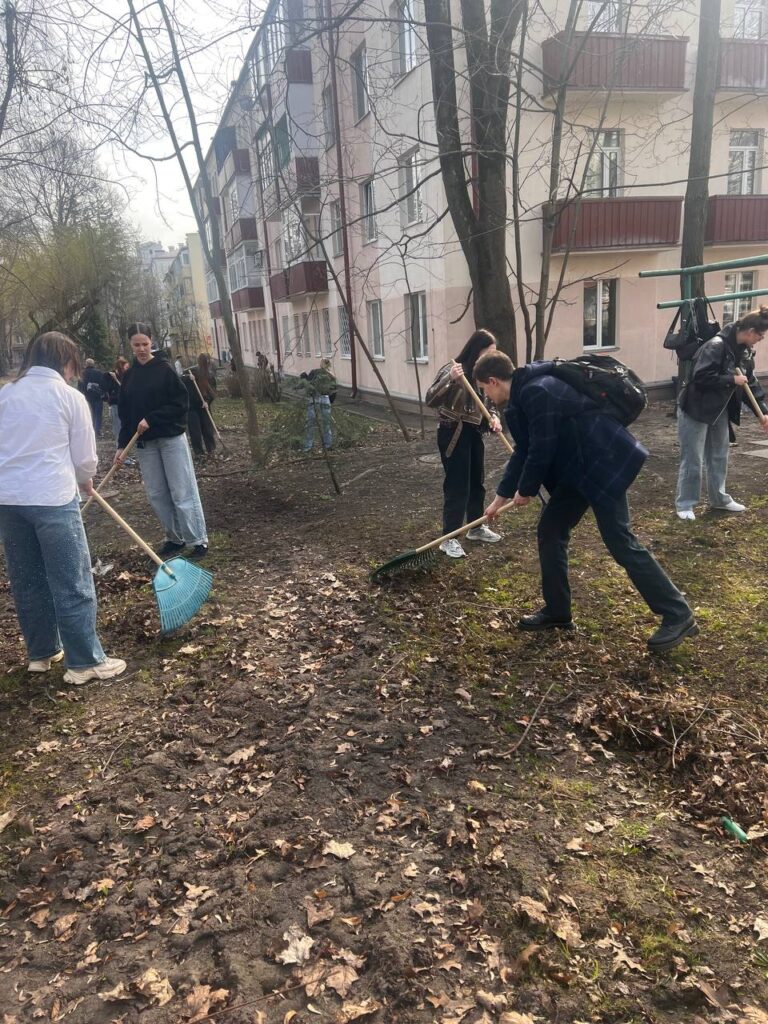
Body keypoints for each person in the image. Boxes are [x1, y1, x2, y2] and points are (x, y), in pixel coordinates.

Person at [475, 351, 698, 653]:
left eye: (484, 389)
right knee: (551, 530)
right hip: (576, 470)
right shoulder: (522, 399)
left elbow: (542, 448)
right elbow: (524, 451)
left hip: (601, 462)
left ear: (493, 381)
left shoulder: (537, 392)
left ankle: (677, 613)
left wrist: (525, 490)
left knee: (620, 540)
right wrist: (499, 498)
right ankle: (558, 612)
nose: (485, 396)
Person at [0, 333, 126, 684]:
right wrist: (85, 478)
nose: (75, 373)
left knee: (28, 579)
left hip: (8, 501)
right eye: (73, 364)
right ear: (66, 362)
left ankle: (41, 652)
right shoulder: (68, 397)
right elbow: (85, 457)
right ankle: (84, 661)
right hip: (52, 498)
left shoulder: (5, 395)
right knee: (72, 578)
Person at [116, 333, 209, 560]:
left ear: (151, 344)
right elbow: (126, 415)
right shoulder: (129, 376)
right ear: (131, 346)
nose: (141, 349)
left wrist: (152, 418)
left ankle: (197, 540)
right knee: (157, 493)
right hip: (145, 444)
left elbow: (180, 403)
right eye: (136, 345)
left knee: (181, 490)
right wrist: (121, 446)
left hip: (170, 439)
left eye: (145, 344)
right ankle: (174, 538)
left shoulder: (164, 370)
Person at [675, 305, 768, 521]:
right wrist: (731, 380)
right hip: (695, 409)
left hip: (719, 410)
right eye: (760, 336)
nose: (760, 340)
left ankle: (719, 499)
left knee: (719, 454)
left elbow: (749, 383)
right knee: (693, 458)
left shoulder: (744, 351)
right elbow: (701, 377)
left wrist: (762, 412)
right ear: (750, 331)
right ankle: (685, 504)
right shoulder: (715, 346)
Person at [425, 329, 503, 558]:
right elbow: (430, 399)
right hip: (453, 433)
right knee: (457, 485)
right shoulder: (454, 368)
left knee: (477, 482)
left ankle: (475, 527)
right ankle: (449, 537)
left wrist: (494, 418)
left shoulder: (484, 373)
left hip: (473, 433)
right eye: (488, 351)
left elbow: (488, 403)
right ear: (476, 349)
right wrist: (450, 379)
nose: (491, 356)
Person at [184, 353, 218, 457]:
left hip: (204, 407)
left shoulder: (210, 376)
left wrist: (207, 401)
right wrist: (188, 378)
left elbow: (212, 392)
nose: (207, 364)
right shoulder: (191, 372)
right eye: (205, 362)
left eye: (208, 362)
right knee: (195, 431)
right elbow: (180, 379)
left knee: (208, 429)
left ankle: (211, 449)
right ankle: (199, 453)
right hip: (192, 407)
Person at [301, 360, 336, 452]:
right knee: (326, 423)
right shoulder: (331, 375)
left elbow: (308, 384)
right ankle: (328, 445)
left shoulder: (315, 372)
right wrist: (330, 401)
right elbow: (334, 390)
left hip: (315, 398)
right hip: (325, 398)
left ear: (321, 364)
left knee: (310, 422)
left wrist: (303, 376)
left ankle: (308, 446)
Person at [103, 356, 130, 448]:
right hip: (116, 405)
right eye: (126, 367)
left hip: (124, 405)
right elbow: (119, 389)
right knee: (118, 428)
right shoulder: (111, 377)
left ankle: (124, 451)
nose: (128, 369)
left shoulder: (125, 376)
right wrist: (114, 379)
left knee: (124, 428)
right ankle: (120, 449)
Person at [79, 357, 106, 436]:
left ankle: (90, 430)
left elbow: (80, 385)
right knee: (98, 414)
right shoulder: (99, 372)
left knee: (90, 413)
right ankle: (97, 430)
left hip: (87, 396)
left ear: (86, 364)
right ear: (93, 364)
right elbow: (103, 384)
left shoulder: (82, 373)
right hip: (97, 396)